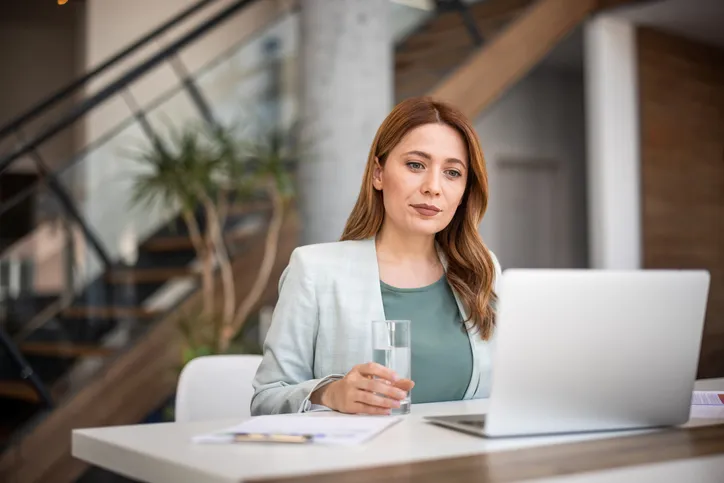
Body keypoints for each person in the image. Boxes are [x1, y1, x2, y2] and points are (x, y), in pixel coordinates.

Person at [250, 96, 501, 416]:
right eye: (416, 165)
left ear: (466, 189)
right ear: (378, 174)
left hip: (461, 461)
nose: (433, 187)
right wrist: (329, 393)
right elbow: (266, 399)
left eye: (452, 173)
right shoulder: (314, 270)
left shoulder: (482, 270)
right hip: (361, 463)